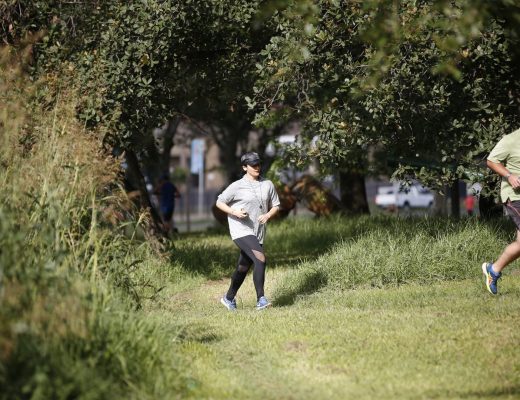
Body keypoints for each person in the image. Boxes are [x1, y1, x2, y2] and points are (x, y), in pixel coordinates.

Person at [216, 152, 280, 311]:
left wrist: (268, 215)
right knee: (260, 259)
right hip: (240, 229)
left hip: (258, 231)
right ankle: (261, 300)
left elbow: (276, 205)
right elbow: (220, 202)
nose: (257, 167)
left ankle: (228, 298)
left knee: (243, 267)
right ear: (245, 167)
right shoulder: (237, 186)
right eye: (253, 165)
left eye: (258, 164)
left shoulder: (267, 184)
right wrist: (234, 212)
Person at [483, 127, 520, 294]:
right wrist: (510, 176)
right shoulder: (511, 139)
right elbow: (491, 161)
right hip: (515, 196)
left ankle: (494, 270)